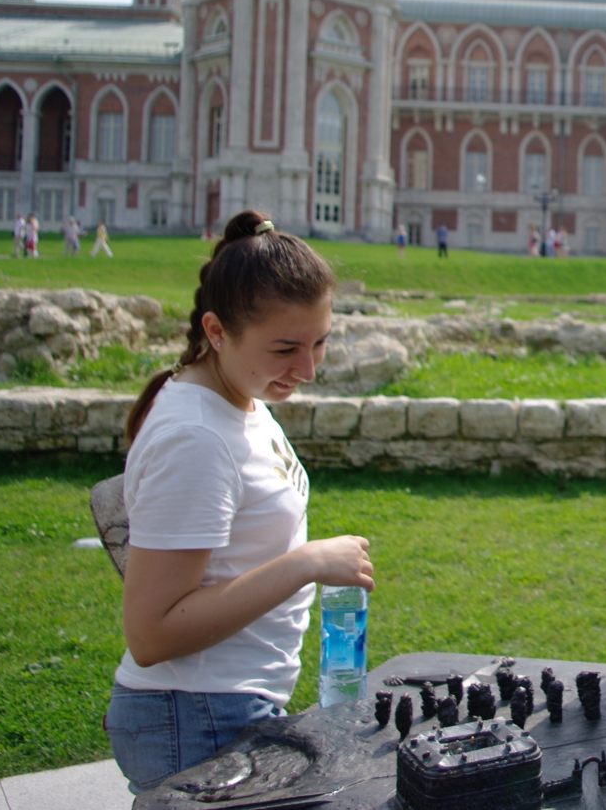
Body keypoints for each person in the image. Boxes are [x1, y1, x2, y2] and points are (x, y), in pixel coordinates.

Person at [105, 210, 374, 795]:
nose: (308, 369)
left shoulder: (239, 396)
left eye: (320, 342)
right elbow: (151, 635)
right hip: (194, 714)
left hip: (222, 704)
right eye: (286, 348)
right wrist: (306, 563)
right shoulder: (196, 437)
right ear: (217, 331)